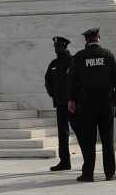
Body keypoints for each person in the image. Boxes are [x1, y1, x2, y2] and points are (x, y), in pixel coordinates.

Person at [67, 27, 116, 182]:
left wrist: (72, 100)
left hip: (86, 104)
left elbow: (72, 81)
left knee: (88, 140)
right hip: (106, 103)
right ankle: (110, 173)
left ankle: (88, 174)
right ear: (98, 38)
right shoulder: (107, 55)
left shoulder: (79, 57)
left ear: (87, 40)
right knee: (107, 139)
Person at [44, 36, 74, 171]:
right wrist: (53, 94)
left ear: (64, 47)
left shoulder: (73, 61)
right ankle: (65, 161)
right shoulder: (53, 64)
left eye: (59, 47)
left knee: (81, 131)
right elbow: (48, 81)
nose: (56, 49)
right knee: (63, 133)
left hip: (73, 103)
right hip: (60, 104)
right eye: (55, 47)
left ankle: (88, 160)